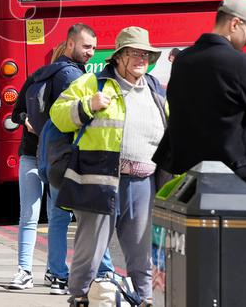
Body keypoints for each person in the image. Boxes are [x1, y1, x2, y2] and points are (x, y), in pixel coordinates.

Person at [52, 27, 167, 306]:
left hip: (143, 181)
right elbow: (58, 115)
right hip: (99, 178)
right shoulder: (94, 83)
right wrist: (87, 105)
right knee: (90, 249)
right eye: (134, 53)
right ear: (119, 57)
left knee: (142, 250)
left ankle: (145, 299)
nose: (142, 59)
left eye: (146, 54)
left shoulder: (154, 88)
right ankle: (78, 297)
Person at [7, 24, 112, 294]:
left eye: (94, 47)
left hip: (32, 152)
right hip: (57, 155)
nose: (91, 52)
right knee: (79, 215)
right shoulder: (73, 78)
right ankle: (89, 273)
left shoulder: (40, 73)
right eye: (87, 47)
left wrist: (27, 122)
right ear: (69, 45)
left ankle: (35, 272)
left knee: (34, 216)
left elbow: (17, 111)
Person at [153, 0, 246, 198]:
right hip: (240, 172)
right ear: (235, 23)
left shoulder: (183, 60)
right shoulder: (241, 62)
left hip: (195, 174)